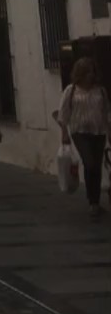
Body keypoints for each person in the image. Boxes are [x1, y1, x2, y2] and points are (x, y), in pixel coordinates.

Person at [57, 57, 110, 219]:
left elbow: (106, 113)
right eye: (87, 72)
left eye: (92, 72)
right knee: (90, 163)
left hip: (98, 131)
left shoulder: (100, 90)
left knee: (97, 164)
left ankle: (95, 203)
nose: (90, 75)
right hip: (79, 132)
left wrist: (109, 132)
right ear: (80, 73)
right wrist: (64, 133)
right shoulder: (71, 90)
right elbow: (63, 113)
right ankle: (91, 200)